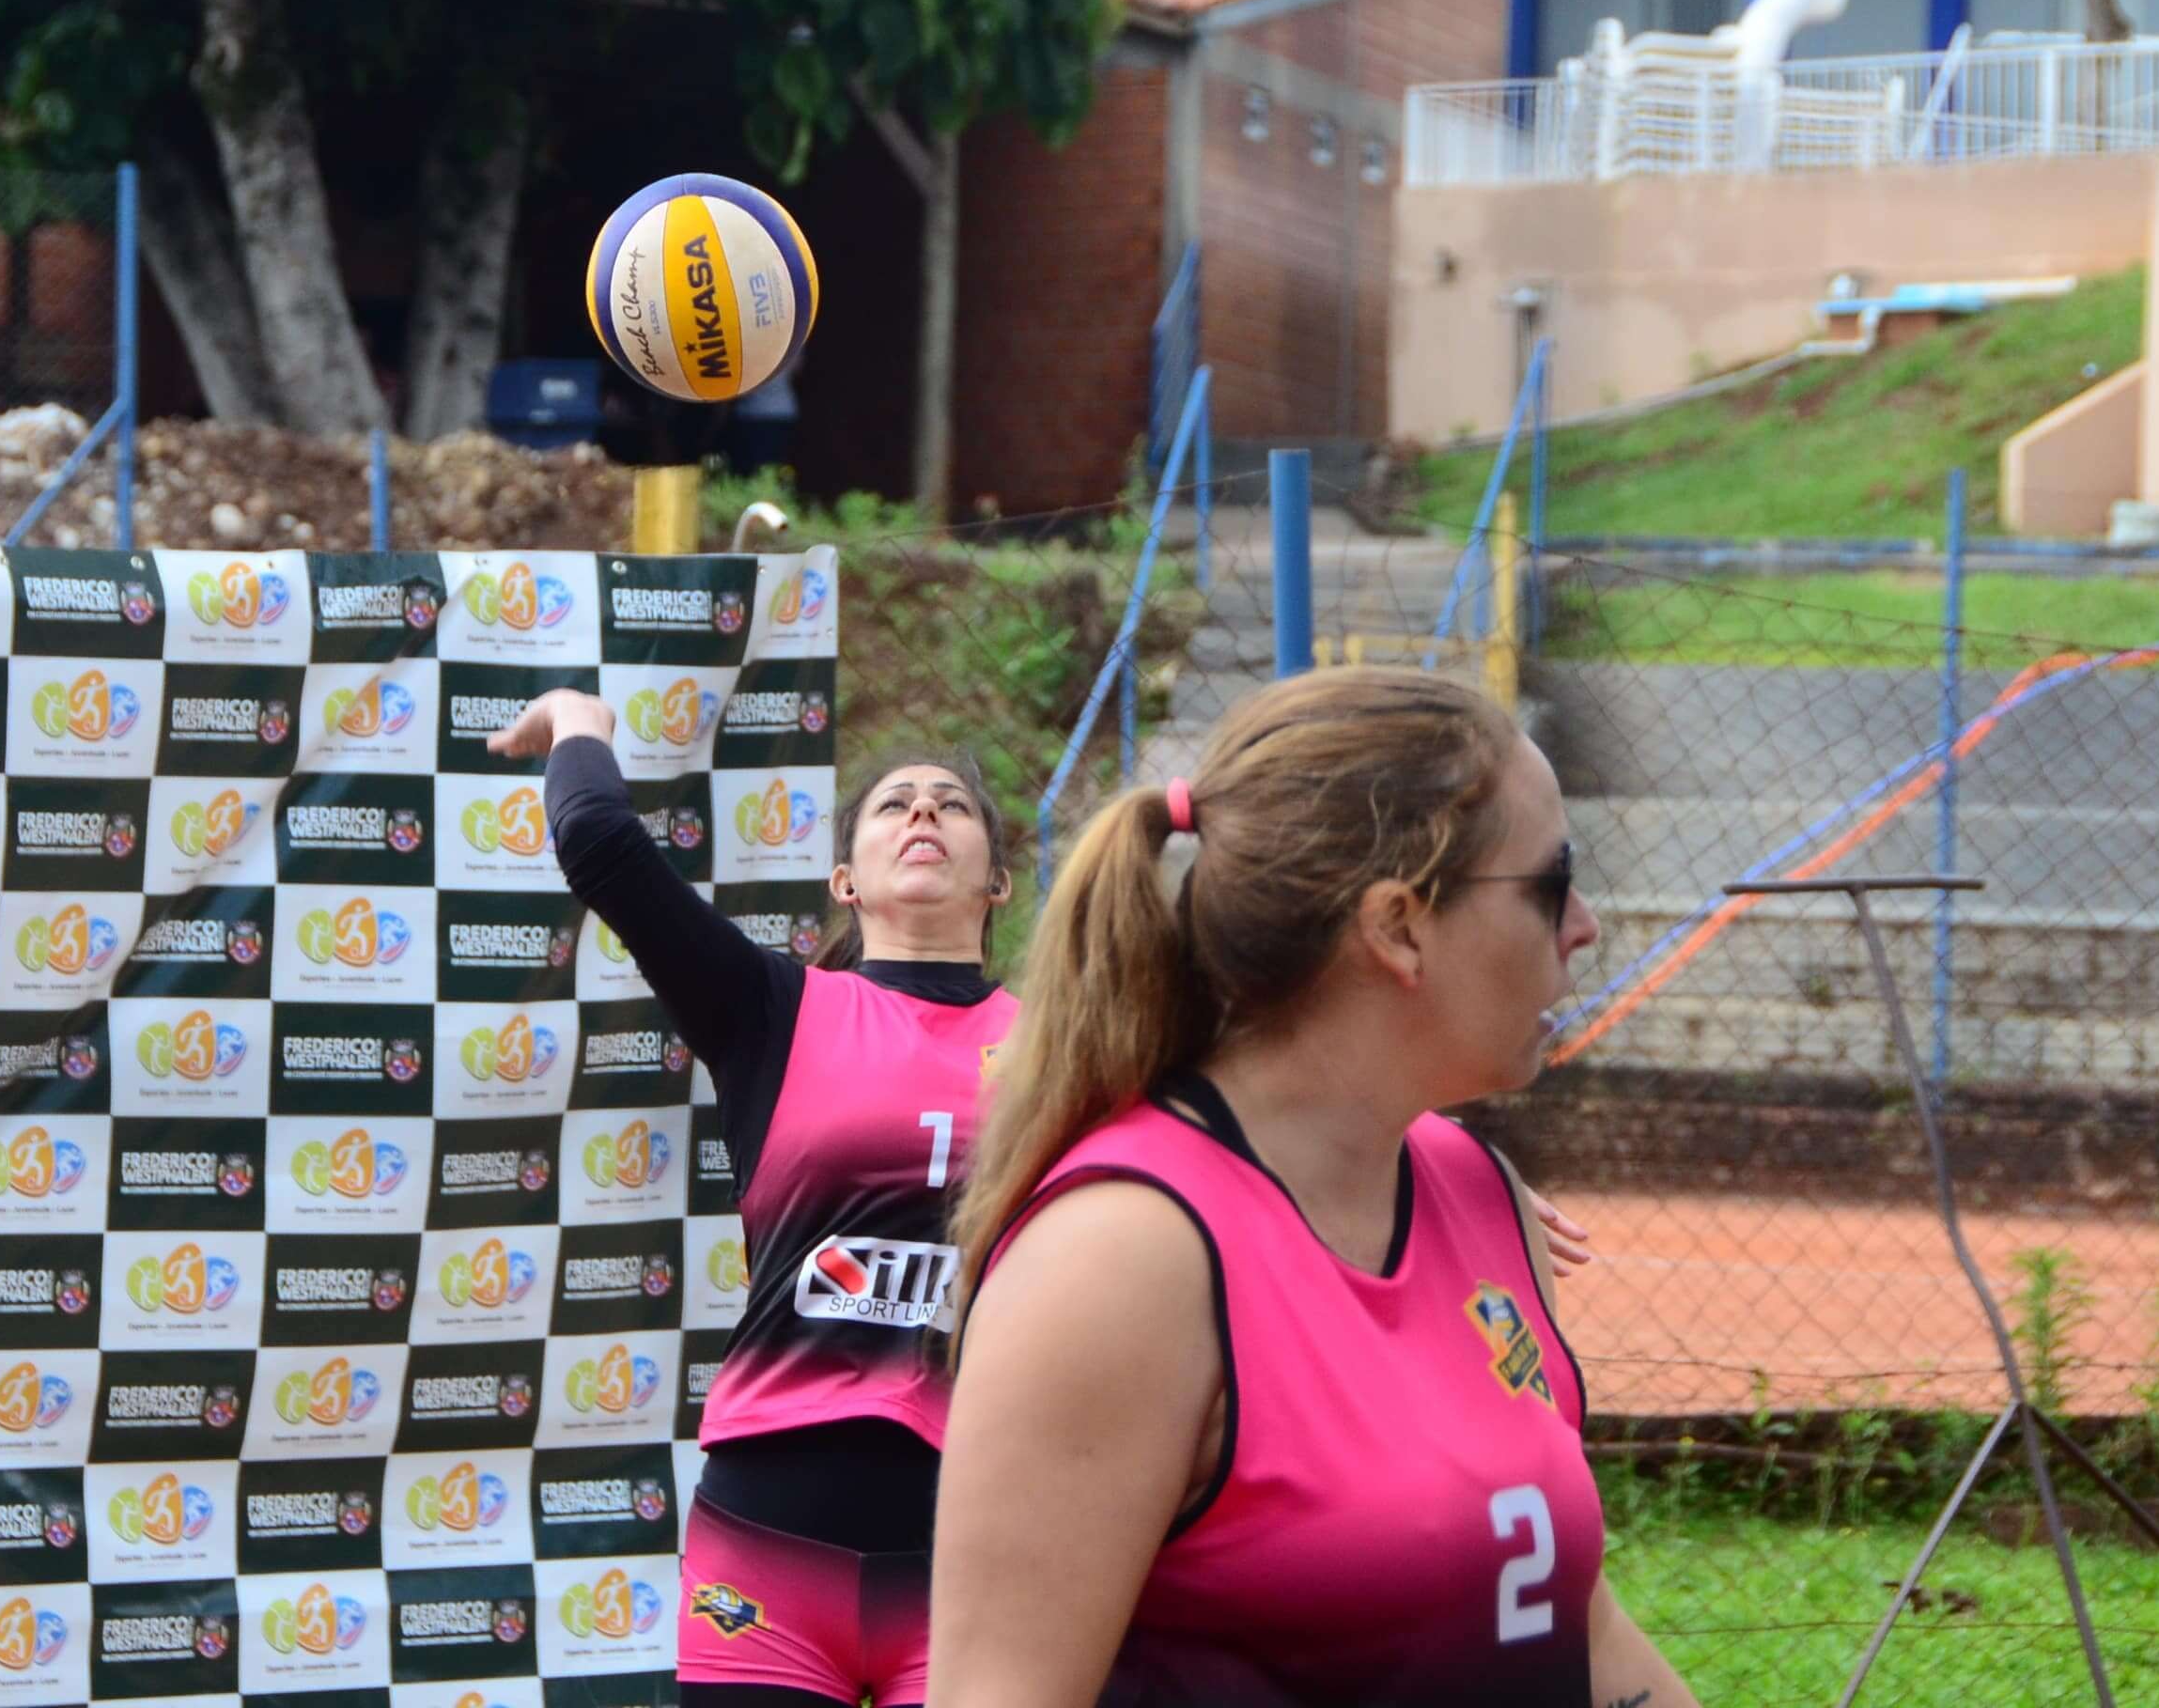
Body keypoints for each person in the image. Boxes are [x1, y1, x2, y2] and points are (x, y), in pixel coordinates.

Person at [926, 666, 1697, 1708]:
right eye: (1552, 883)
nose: (1586, 925)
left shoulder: (1480, 1193)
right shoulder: (1122, 1257)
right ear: (1399, 926)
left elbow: (1579, 1627)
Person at [487, 691, 1018, 1708]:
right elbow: (598, 842)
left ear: (996, 879)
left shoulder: (1069, 1047)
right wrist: (580, 722)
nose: (921, 815)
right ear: (845, 881)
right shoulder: (771, 1010)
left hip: (979, 1541)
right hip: (772, 1537)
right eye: (894, 805)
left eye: (951, 806)